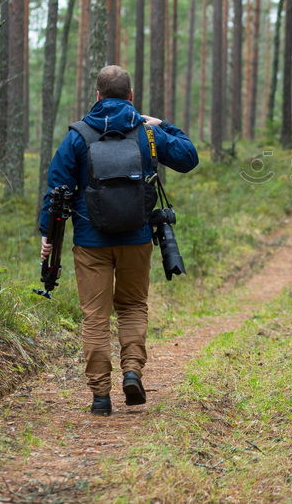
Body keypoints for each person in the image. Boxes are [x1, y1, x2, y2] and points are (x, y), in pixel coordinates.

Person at [39, 66, 198, 416]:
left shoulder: (78, 136)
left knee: (95, 316)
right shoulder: (147, 133)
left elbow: (56, 190)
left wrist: (47, 237)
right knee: (132, 306)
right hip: (137, 237)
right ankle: (131, 372)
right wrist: (162, 124)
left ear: (97, 96)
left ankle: (100, 397)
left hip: (91, 241)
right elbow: (189, 157)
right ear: (130, 96)